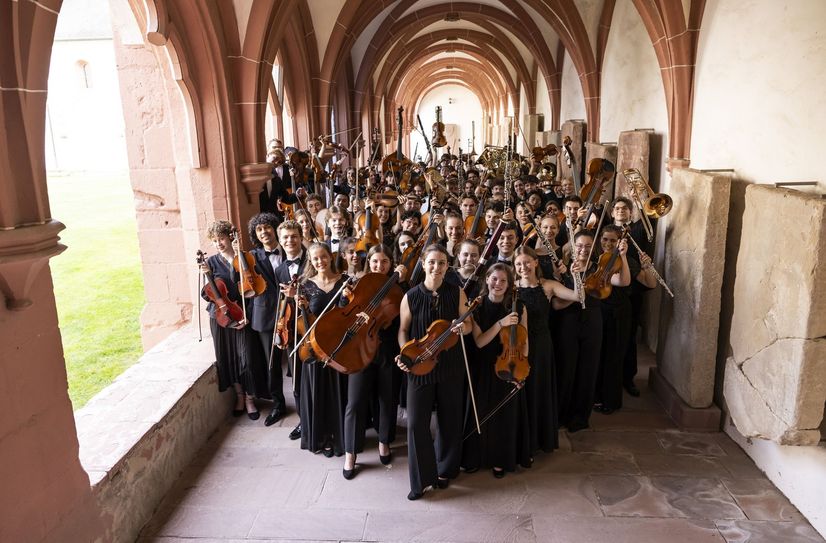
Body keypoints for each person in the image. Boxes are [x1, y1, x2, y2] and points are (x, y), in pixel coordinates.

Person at [396, 244, 472, 500]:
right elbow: (403, 330)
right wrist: (406, 354)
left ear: (447, 266)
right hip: (420, 366)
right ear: (423, 263)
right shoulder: (411, 296)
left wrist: (463, 328)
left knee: (449, 420)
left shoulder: (457, 292)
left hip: (450, 364)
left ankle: (445, 470)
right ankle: (420, 481)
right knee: (417, 423)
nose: (436, 267)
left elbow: (469, 324)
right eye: (432, 262)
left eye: (441, 263)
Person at [341, 245, 408, 479]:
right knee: (355, 402)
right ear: (368, 262)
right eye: (375, 262)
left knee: (387, 399)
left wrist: (403, 282)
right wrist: (346, 300)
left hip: (388, 350)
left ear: (391, 264)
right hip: (360, 350)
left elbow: (404, 317)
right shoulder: (359, 284)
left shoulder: (399, 289)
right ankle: (350, 452)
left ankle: (384, 441)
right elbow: (344, 314)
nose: (380, 266)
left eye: (384, 262)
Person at [553, 230, 628, 432]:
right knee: (566, 368)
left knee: (588, 368)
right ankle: (561, 415)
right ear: (573, 247)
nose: (583, 249)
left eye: (587, 246)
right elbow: (556, 304)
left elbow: (623, 281)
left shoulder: (600, 269)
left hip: (593, 320)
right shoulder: (563, 269)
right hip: (568, 320)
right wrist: (576, 286)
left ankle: (580, 417)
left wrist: (622, 256)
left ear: (593, 248)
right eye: (579, 246)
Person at [463, 263, 530, 477]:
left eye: (503, 280)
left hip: (508, 363)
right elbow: (481, 342)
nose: (498, 284)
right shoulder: (477, 306)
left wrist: (520, 368)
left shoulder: (519, 307)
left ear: (510, 284)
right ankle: (473, 458)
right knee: (479, 412)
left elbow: (524, 342)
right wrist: (501, 323)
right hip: (482, 365)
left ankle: (500, 459)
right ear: (487, 280)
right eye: (494, 279)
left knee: (503, 416)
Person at [513, 247, 577, 453]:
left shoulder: (548, 285)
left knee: (538, 387)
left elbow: (578, 296)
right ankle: (521, 437)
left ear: (535, 262)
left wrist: (571, 274)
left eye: (527, 262)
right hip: (515, 345)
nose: (523, 267)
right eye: (518, 264)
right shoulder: (511, 287)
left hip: (541, 345)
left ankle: (538, 439)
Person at [199, 220, 261, 420]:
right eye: (215, 241)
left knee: (247, 359)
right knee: (229, 359)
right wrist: (206, 277)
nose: (219, 244)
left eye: (222, 239)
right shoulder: (211, 263)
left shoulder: (244, 258)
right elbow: (206, 293)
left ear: (230, 237)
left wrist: (249, 315)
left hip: (243, 314)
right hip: (222, 317)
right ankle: (240, 397)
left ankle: (251, 399)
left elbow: (255, 288)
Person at [293, 242, 349, 456]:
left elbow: (350, 313)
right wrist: (301, 306)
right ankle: (322, 436)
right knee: (319, 393)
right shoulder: (305, 285)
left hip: (340, 345)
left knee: (339, 392)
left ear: (330, 256)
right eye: (315, 259)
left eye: (323, 257)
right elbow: (303, 321)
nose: (320, 262)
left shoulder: (344, 282)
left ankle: (340, 436)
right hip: (315, 348)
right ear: (311, 261)